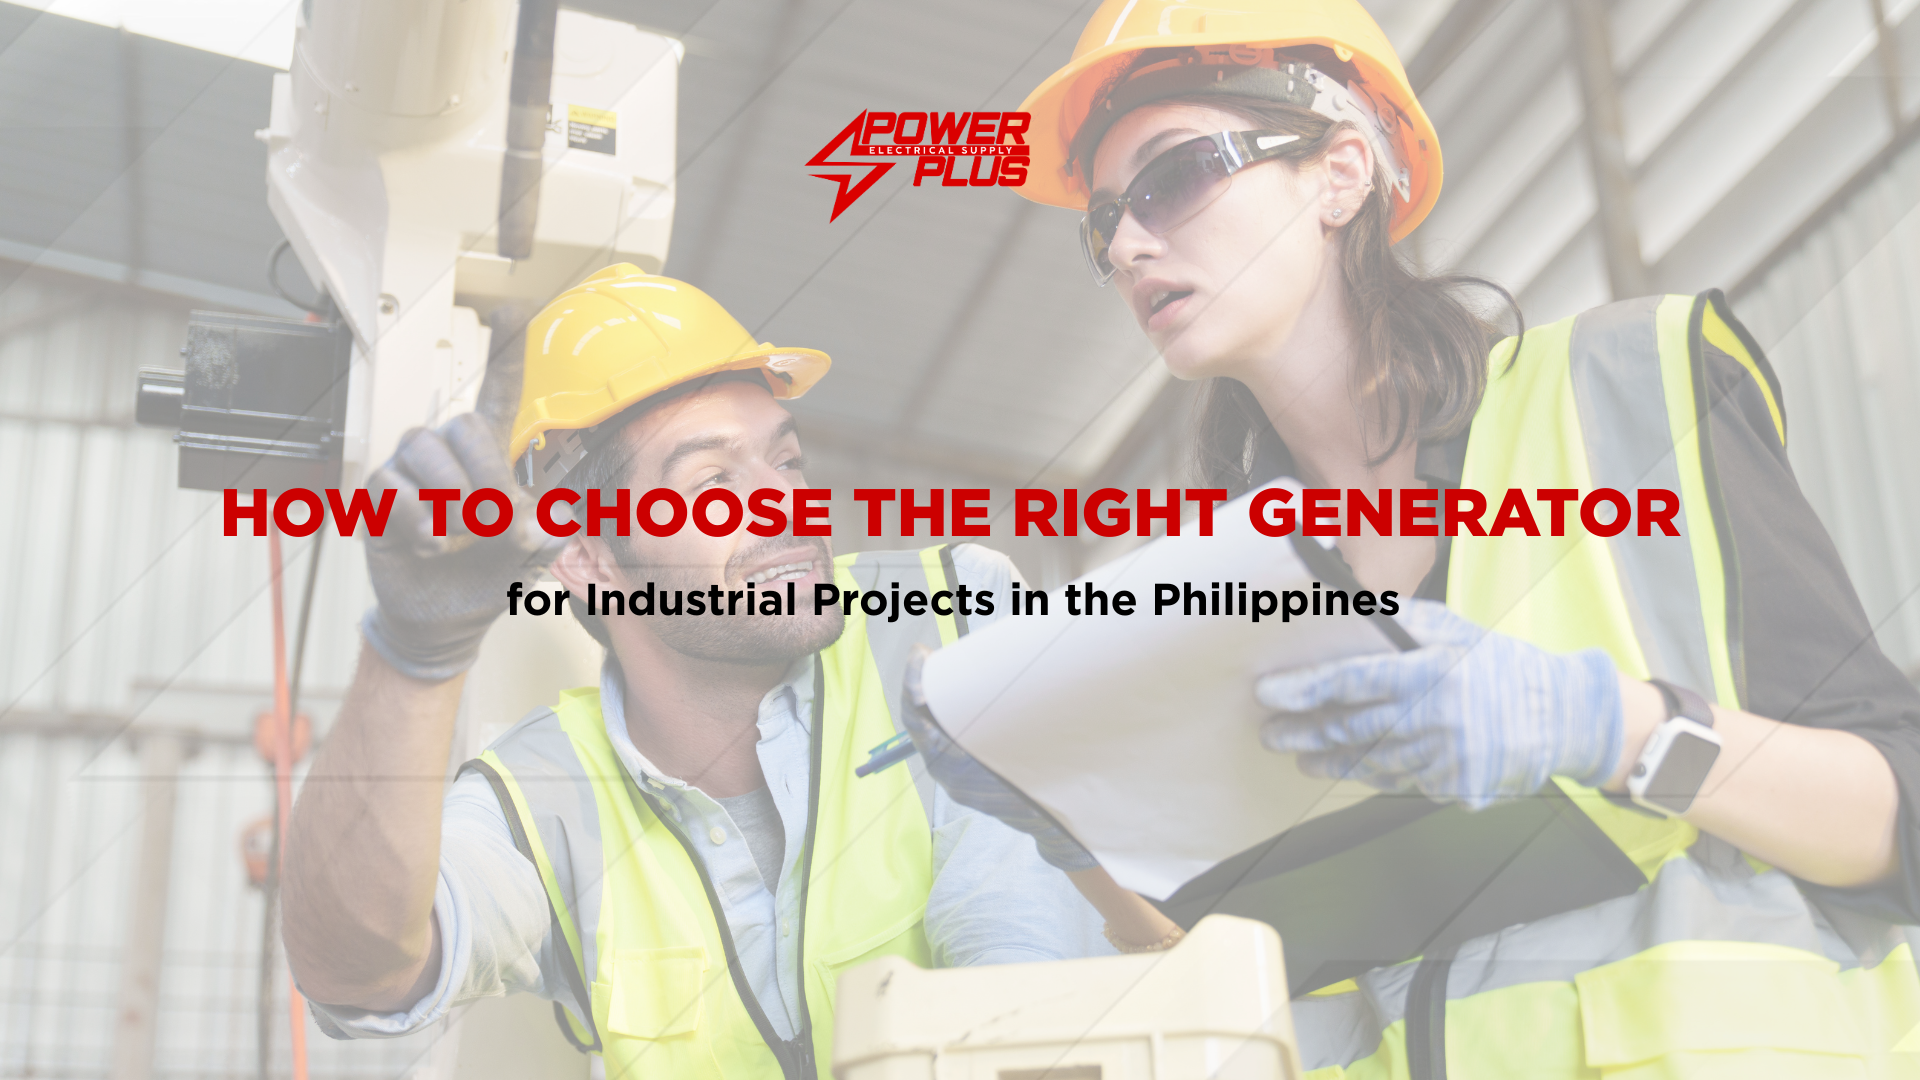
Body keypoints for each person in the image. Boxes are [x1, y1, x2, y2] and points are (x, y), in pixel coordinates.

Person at [902, 2, 1920, 1076]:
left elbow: (1896, 817)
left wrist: (1612, 728)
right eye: (1103, 219)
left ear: (1342, 173)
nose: (1128, 242)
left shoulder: (1622, 393)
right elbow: (1244, 975)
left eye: (1175, 176)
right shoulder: (1237, 589)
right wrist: (1079, 837)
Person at [280, 265, 1103, 1078]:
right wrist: (414, 655)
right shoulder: (540, 801)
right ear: (591, 557)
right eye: (713, 482)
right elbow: (357, 974)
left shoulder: (948, 610)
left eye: (786, 462)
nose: (786, 504)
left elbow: (1017, 966)